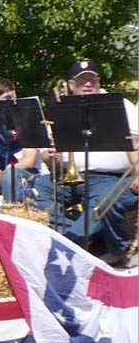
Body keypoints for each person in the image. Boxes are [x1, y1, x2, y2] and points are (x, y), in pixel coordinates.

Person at [33, 59, 138, 265]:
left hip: (111, 178)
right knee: (38, 188)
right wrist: (49, 157)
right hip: (73, 178)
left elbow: (135, 143)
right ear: (72, 86)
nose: (88, 84)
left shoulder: (118, 103)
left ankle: (76, 244)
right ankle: (77, 234)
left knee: (102, 203)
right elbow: (49, 159)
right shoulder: (63, 108)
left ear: (99, 81)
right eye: (82, 81)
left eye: (92, 79)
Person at [0, 77, 41, 202]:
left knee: (10, 174)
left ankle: (12, 211)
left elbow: (29, 160)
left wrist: (6, 173)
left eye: (13, 98)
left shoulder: (25, 121)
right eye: (6, 99)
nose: (12, 102)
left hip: (25, 175)